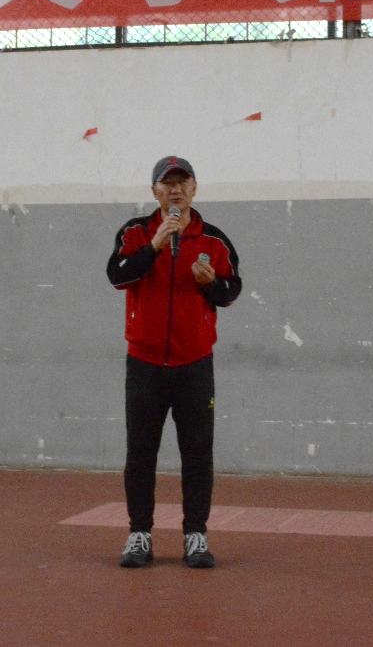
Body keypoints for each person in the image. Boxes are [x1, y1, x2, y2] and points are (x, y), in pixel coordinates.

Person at [106, 156, 242, 568]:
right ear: (155, 192)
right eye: (168, 184)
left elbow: (231, 291)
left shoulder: (215, 240)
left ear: (195, 189)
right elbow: (118, 276)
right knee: (140, 452)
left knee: (197, 453)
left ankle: (195, 536)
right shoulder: (135, 233)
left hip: (194, 365)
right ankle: (139, 535)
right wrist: (155, 245)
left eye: (183, 182)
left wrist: (211, 284)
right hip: (145, 364)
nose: (176, 190)